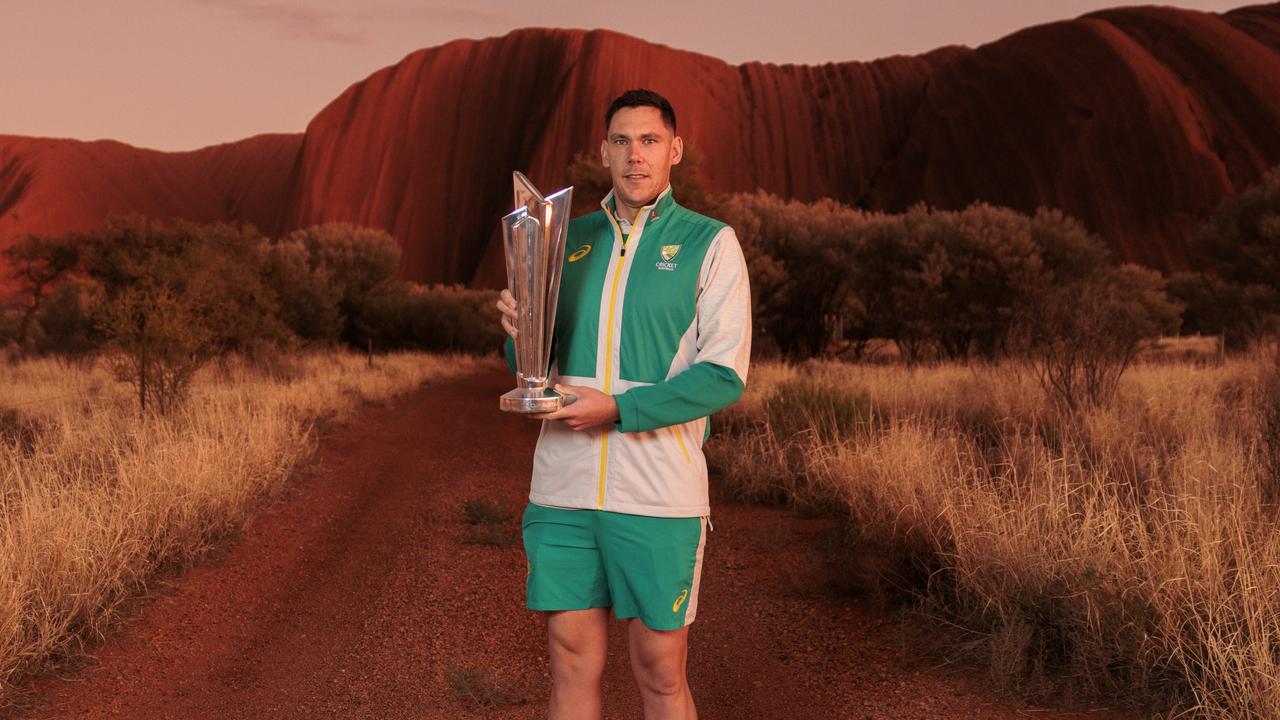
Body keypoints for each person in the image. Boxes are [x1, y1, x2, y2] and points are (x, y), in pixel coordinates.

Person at [496, 88, 751, 720]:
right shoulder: (566, 241)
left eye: (649, 140)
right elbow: (535, 370)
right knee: (569, 664)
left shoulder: (710, 244)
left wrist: (615, 408)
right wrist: (515, 333)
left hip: (658, 496)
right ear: (603, 151)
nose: (634, 156)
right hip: (563, 490)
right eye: (620, 141)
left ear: (675, 150)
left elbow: (723, 376)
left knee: (661, 674)